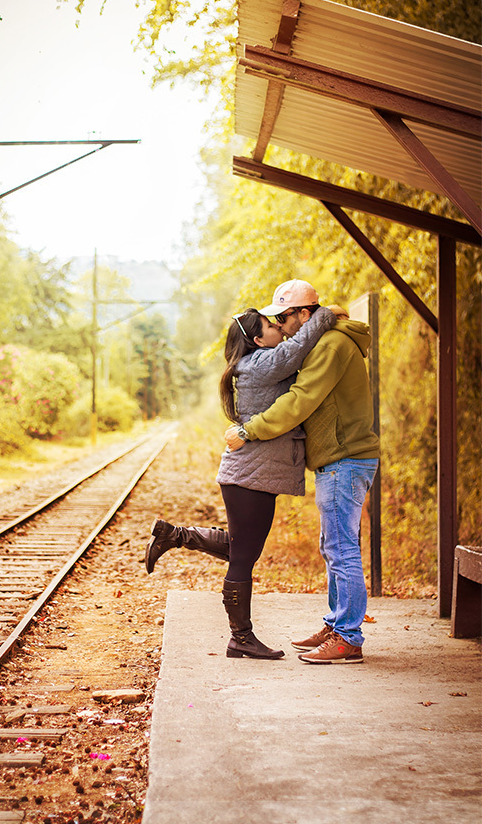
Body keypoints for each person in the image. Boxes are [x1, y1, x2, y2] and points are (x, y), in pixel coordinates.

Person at [145, 292, 337, 660]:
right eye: (271, 325)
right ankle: (241, 637)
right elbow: (296, 349)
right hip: (249, 477)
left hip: (250, 475)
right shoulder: (260, 363)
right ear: (257, 339)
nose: (279, 327)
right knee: (243, 556)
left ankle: (176, 535)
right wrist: (325, 314)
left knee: (241, 547)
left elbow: (295, 350)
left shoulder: (256, 362)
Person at [225, 279, 380, 664]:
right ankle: (336, 625)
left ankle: (348, 637)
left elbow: (300, 400)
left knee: (342, 548)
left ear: (303, 314)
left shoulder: (330, 345)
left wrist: (249, 430)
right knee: (334, 548)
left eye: (283, 315)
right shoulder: (324, 342)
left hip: (345, 456)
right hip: (336, 458)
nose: (280, 324)